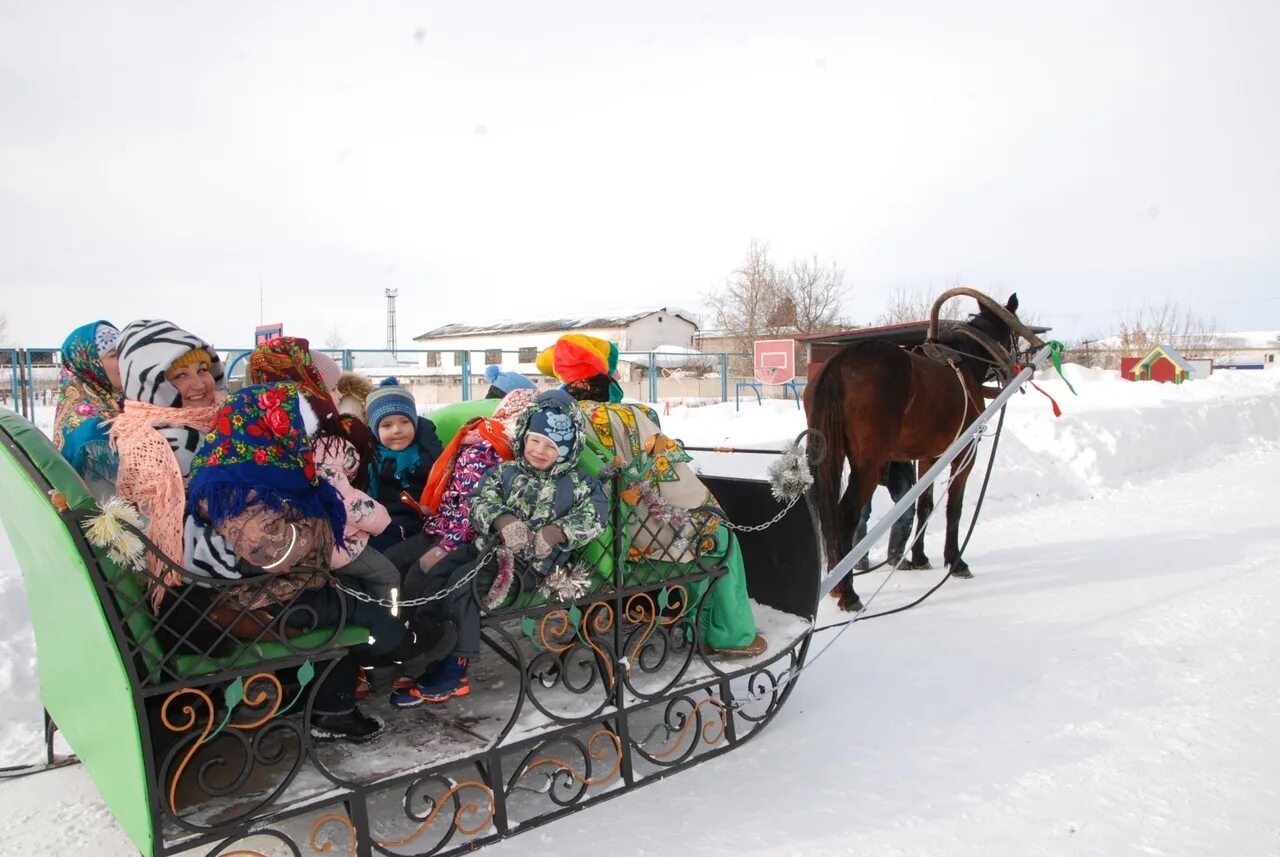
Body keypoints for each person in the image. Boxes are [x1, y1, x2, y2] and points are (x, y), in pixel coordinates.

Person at [182, 382, 416, 742]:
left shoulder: (243, 466)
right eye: (292, 435)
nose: (298, 445)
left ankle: (347, 687)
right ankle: (385, 670)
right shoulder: (233, 486)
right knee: (351, 607)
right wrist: (320, 521)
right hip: (259, 598)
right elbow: (276, 551)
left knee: (350, 594)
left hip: (269, 588)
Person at [537, 332, 767, 658]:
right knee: (718, 534)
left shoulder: (547, 418)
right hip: (627, 538)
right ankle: (727, 633)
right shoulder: (623, 416)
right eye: (612, 373)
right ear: (601, 377)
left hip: (572, 542)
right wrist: (708, 507)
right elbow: (674, 482)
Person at [390, 390, 607, 707]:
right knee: (432, 576)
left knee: (462, 587)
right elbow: (480, 500)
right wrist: (502, 520)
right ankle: (430, 653)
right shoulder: (506, 472)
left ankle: (455, 671)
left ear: (568, 449)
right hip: (483, 549)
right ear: (523, 437)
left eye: (551, 446)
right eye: (534, 440)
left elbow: (595, 516)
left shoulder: (579, 483)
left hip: (528, 567)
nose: (540, 451)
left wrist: (557, 531)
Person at [245, 336, 398, 603]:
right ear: (309, 392)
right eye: (333, 388)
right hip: (326, 542)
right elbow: (343, 502)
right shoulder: (318, 449)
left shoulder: (262, 436)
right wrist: (383, 521)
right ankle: (395, 630)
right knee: (387, 576)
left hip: (288, 541)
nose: (339, 395)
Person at [108, 320, 228, 608]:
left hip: (207, 578)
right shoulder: (166, 442)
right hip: (200, 587)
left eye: (202, 370)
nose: (199, 384)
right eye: (181, 376)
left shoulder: (145, 425)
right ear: (151, 383)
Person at [364, 378, 442, 552]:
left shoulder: (427, 455)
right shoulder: (369, 459)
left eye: (405, 422)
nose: (397, 430)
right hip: (381, 526)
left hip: (424, 526)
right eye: (386, 425)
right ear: (375, 431)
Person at [51, 321, 123, 499]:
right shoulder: (95, 425)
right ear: (90, 363)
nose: (125, 361)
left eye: (126, 353)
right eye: (114, 355)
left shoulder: (107, 404)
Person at [853, 461, 917, 571]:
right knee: (861, 513)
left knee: (907, 509)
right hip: (867, 459)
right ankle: (858, 555)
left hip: (898, 459)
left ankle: (895, 553)